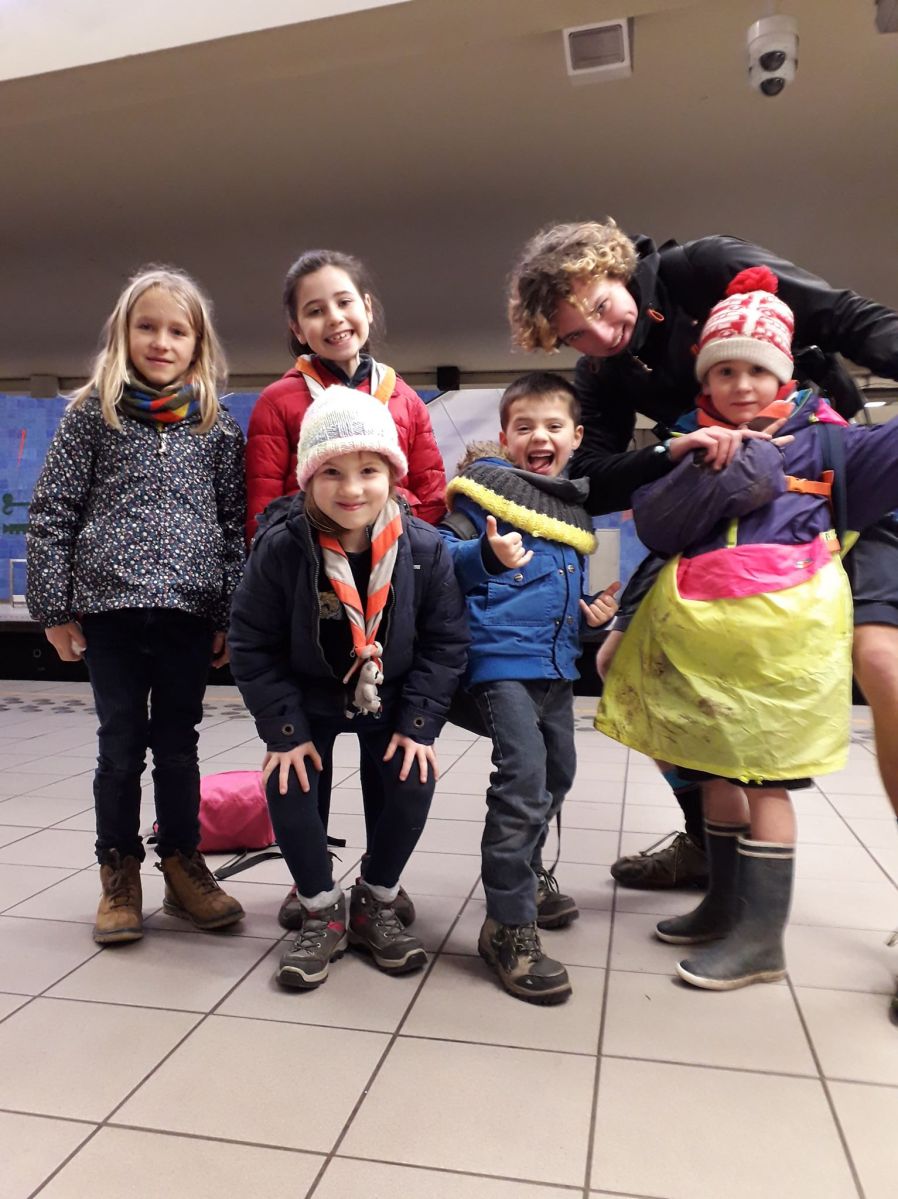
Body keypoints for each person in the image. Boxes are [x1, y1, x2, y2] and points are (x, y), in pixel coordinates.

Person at [508, 218, 898, 895]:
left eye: (601, 307)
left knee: (881, 661)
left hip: (825, 476)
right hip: (721, 509)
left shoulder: (702, 269)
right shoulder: (602, 373)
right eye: (575, 335)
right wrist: (669, 451)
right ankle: (706, 839)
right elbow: (594, 475)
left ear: (616, 270)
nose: (600, 335)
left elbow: (845, 317)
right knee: (623, 663)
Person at [595, 268, 898, 990]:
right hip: (701, 643)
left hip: (779, 654)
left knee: (765, 785)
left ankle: (761, 942)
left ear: (784, 375)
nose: (741, 385)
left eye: (757, 370)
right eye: (724, 370)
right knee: (712, 770)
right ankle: (724, 906)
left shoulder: (827, 447)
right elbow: (660, 534)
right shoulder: (688, 444)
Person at [26, 265, 247, 944]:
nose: (161, 341)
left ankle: (182, 865)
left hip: (188, 613)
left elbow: (232, 525)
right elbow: (54, 512)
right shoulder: (92, 416)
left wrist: (227, 615)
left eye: (177, 331)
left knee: (178, 747)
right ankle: (118, 872)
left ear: (198, 343)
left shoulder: (215, 426)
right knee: (120, 747)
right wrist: (53, 611)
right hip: (110, 611)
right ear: (123, 334)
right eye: (147, 327)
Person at [228, 387, 468, 990]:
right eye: (331, 471)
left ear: (393, 475)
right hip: (308, 693)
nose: (352, 488)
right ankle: (319, 906)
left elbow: (445, 642)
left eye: (369, 470)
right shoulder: (282, 547)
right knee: (289, 780)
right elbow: (251, 643)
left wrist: (419, 725)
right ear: (308, 478)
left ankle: (376, 897)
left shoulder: (424, 548)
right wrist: (284, 731)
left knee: (410, 776)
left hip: (393, 690)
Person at [245, 248, 447, 930]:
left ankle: (379, 882)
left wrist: (408, 560)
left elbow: (431, 493)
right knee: (307, 755)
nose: (333, 318)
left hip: (386, 589)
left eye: (344, 302)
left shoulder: (404, 397)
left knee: (386, 753)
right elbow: (264, 503)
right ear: (296, 327)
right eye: (314, 310)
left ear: (367, 308)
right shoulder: (280, 399)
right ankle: (313, 881)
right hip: (313, 590)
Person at [439, 372, 619, 1004]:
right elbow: (439, 559)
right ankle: (508, 926)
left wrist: (590, 616)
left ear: (576, 437)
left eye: (552, 426)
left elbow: (561, 594)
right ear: (505, 437)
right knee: (522, 781)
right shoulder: (482, 498)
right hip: (497, 663)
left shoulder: (571, 510)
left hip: (556, 666)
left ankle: (528, 873)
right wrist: (484, 556)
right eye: (524, 427)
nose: (538, 437)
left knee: (557, 774)